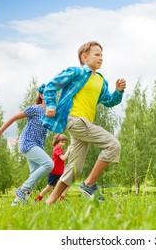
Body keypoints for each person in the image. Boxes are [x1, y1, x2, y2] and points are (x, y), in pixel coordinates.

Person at [43, 41, 126, 205]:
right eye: (97, 55)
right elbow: (51, 86)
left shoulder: (101, 81)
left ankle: (49, 202)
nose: (101, 58)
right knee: (113, 145)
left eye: (102, 55)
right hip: (75, 120)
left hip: (84, 123)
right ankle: (89, 185)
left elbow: (108, 101)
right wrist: (51, 104)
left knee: (74, 169)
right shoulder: (77, 72)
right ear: (84, 57)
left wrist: (118, 91)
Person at [0, 84, 54, 206]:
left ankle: (17, 203)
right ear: (41, 96)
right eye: (48, 94)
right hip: (27, 142)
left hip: (38, 145)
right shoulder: (34, 109)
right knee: (49, 164)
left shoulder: (50, 113)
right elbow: (14, 118)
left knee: (34, 174)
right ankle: (21, 190)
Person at [35, 134, 71, 202]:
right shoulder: (56, 149)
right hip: (54, 172)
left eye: (64, 142)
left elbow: (61, 162)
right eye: (62, 142)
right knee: (49, 187)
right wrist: (68, 150)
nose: (63, 144)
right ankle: (39, 198)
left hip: (60, 172)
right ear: (57, 142)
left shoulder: (59, 149)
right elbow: (63, 158)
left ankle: (62, 198)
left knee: (67, 184)